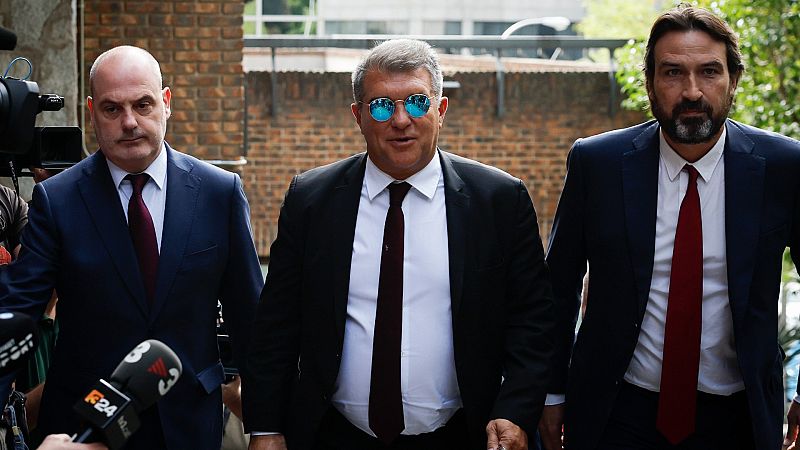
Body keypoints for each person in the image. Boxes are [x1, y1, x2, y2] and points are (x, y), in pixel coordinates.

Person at [244, 38, 555, 450]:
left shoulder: (498, 200)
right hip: (334, 435)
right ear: (358, 116)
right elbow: (277, 324)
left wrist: (515, 410)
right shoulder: (311, 200)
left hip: (461, 434)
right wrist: (266, 427)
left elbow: (533, 320)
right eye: (381, 106)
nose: (401, 119)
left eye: (417, 102)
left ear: (441, 109)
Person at [542, 5, 800, 450]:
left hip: (739, 417)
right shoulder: (597, 164)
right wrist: (550, 393)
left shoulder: (783, 166)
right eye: (673, 73)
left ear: (734, 80)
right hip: (616, 413)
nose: (692, 91)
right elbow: (557, 288)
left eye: (710, 72)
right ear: (650, 83)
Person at [0, 45, 263, 450]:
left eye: (143, 104)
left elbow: (251, 322)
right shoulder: (57, 200)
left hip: (189, 424)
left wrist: (266, 428)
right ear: (92, 112)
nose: (129, 122)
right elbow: (19, 313)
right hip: (84, 428)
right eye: (112, 109)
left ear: (166, 102)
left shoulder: (219, 192)